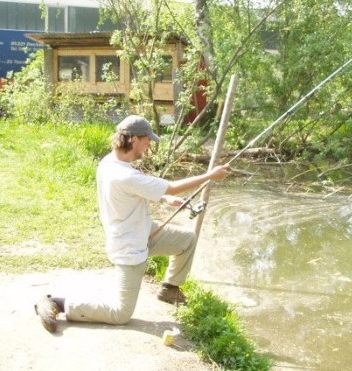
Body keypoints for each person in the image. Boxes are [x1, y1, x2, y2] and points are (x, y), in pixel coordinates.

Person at [35, 115, 230, 333]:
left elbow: (134, 192)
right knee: (120, 314)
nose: (149, 146)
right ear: (134, 140)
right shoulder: (125, 174)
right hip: (130, 246)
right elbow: (172, 186)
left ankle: (170, 289)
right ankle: (59, 303)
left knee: (187, 240)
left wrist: (163, 198)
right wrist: (210, 176)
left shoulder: (110, 162)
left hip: (142, 231)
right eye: (147, 140)